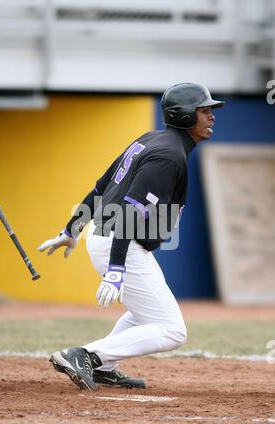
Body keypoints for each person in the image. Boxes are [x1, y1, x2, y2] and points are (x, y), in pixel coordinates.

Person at [39, 83, 225, 391]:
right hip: (120, 241)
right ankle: (86, 355)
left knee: (145, 315)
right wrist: (115, 270)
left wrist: (71, 230)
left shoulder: (152, 139)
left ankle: (104, 366)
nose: (211, 116)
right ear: (184, 116)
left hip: (115, 238)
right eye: (204, 111)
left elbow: (100, 188)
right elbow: (128, 212)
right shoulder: (169, 156)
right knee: (172, 330)